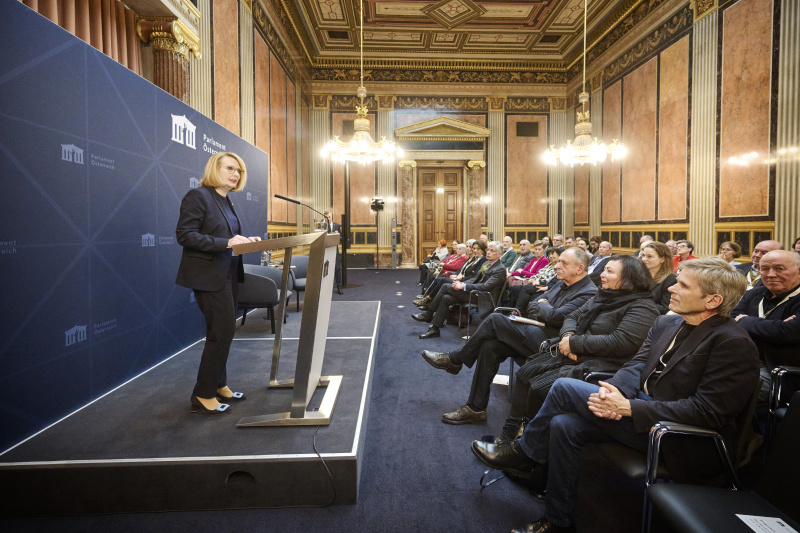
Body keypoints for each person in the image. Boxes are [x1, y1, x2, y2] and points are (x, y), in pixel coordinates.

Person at [471, 258, 758, 533]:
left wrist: (630, 408)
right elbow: (636, 364)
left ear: (712, 301)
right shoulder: (666, 324)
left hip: (679, 437)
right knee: (564, 425)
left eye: (683, 285)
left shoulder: (732, 343)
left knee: (564, 387)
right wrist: (615, 391)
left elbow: (708, 412)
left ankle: (524, 454)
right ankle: (558, 521)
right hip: (640, 411)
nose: (670, 287)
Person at [491, 255, 660, 444]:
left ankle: (525, 447)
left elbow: (620, 342)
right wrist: (567, 337)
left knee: (539, 388)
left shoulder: (642, 307)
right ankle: (508, 436)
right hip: (574, 354)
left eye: (609, 271)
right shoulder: (603, 295)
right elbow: (572, 316)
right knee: (524, 373)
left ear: (629, 280)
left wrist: (574, 343)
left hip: (601, 366)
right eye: (604, 269)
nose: (602, 274)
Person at [420, 248, 597, 424]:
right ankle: (475, 408)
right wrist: (545, 306)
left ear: (580, 269)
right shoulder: (561, 283)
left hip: (552, 345)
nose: (557, 265)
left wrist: (545, 306)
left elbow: (554, 317)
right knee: (490, 346)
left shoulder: (588, 292)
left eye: (563, 263)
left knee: (496, 319)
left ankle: (456, 359)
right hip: (536, 331)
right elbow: (533, 304)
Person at [175, 152, 262, 416]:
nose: (235, 174)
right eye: (230, 168)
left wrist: (242, 240)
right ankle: (202, 395)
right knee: (220, 334)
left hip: (228, 274)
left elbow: (227, 236)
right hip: (208, 277)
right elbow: (185, 235)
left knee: (225, 332)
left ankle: (218, 384)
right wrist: (226, 243)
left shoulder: (226, 200)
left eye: (239, 171)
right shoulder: (198, 196)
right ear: (216, 168)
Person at [732, 250, 800, 404]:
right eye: (764, 269)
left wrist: (744, 320)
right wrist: (773, 327)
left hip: (778, 370)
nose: (770, 274)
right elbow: (730, 321)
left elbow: (786, 332)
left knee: (728, 390)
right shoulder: (754, 294)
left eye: (779, 269)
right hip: (740, 359)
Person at [413, 241, 507, 339]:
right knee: (446, 297)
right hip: (475, 293)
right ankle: (434, 329)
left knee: (445, 286)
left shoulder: (499, 269)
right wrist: (461, 283)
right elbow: (475, 279)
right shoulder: (488, 263)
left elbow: (485, 286)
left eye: (492, 251)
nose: (488, 252)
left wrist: (464, 286)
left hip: (483, 297)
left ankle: (428, 314)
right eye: (488, 250)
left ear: (499, 254)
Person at [414, 240, 485, 307]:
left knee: (442, 281)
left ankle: (428, 301)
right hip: (457, 278)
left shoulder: (473, 259)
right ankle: (426, 299)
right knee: (436, 279)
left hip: (464, 283)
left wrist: (460, 278)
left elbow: (472, 276)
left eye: (476, 249)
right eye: (469, 247)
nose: (472, 250)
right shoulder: (472, 259)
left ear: (483, 250)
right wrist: (456, 275)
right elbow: (460, 269)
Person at [513, 246, 563, 312]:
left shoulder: (559, 267)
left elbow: (553, 281)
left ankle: (516, 311)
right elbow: (538, 274)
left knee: (525, 288)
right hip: (536, 282)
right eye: (549, 254)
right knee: (516, 287)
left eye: (553, 254)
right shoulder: (548, 265)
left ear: (559, 255)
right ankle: (518, 311)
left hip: (544, 285)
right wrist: (532, 279)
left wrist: (539, 282)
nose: (550, 256)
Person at [640, 241, 677, 314]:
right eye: (643, 255)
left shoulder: (671, 280)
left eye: (649, 256)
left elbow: (665, 308)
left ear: (662, 259)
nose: (644, 259)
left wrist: (641, 301)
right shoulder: (640, 275)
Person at [323, 210, 344, 294]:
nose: (328, 219)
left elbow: (341, 239)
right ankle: (325, 288)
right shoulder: (321, 226)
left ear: (332, 217)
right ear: (324, 218)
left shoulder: (337, 226)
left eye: (329, 217)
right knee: (325, 269)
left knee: (337, 268)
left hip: (334, 250)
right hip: (325, 250)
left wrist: (337, 235)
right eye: (326, 217)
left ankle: (339, 286)